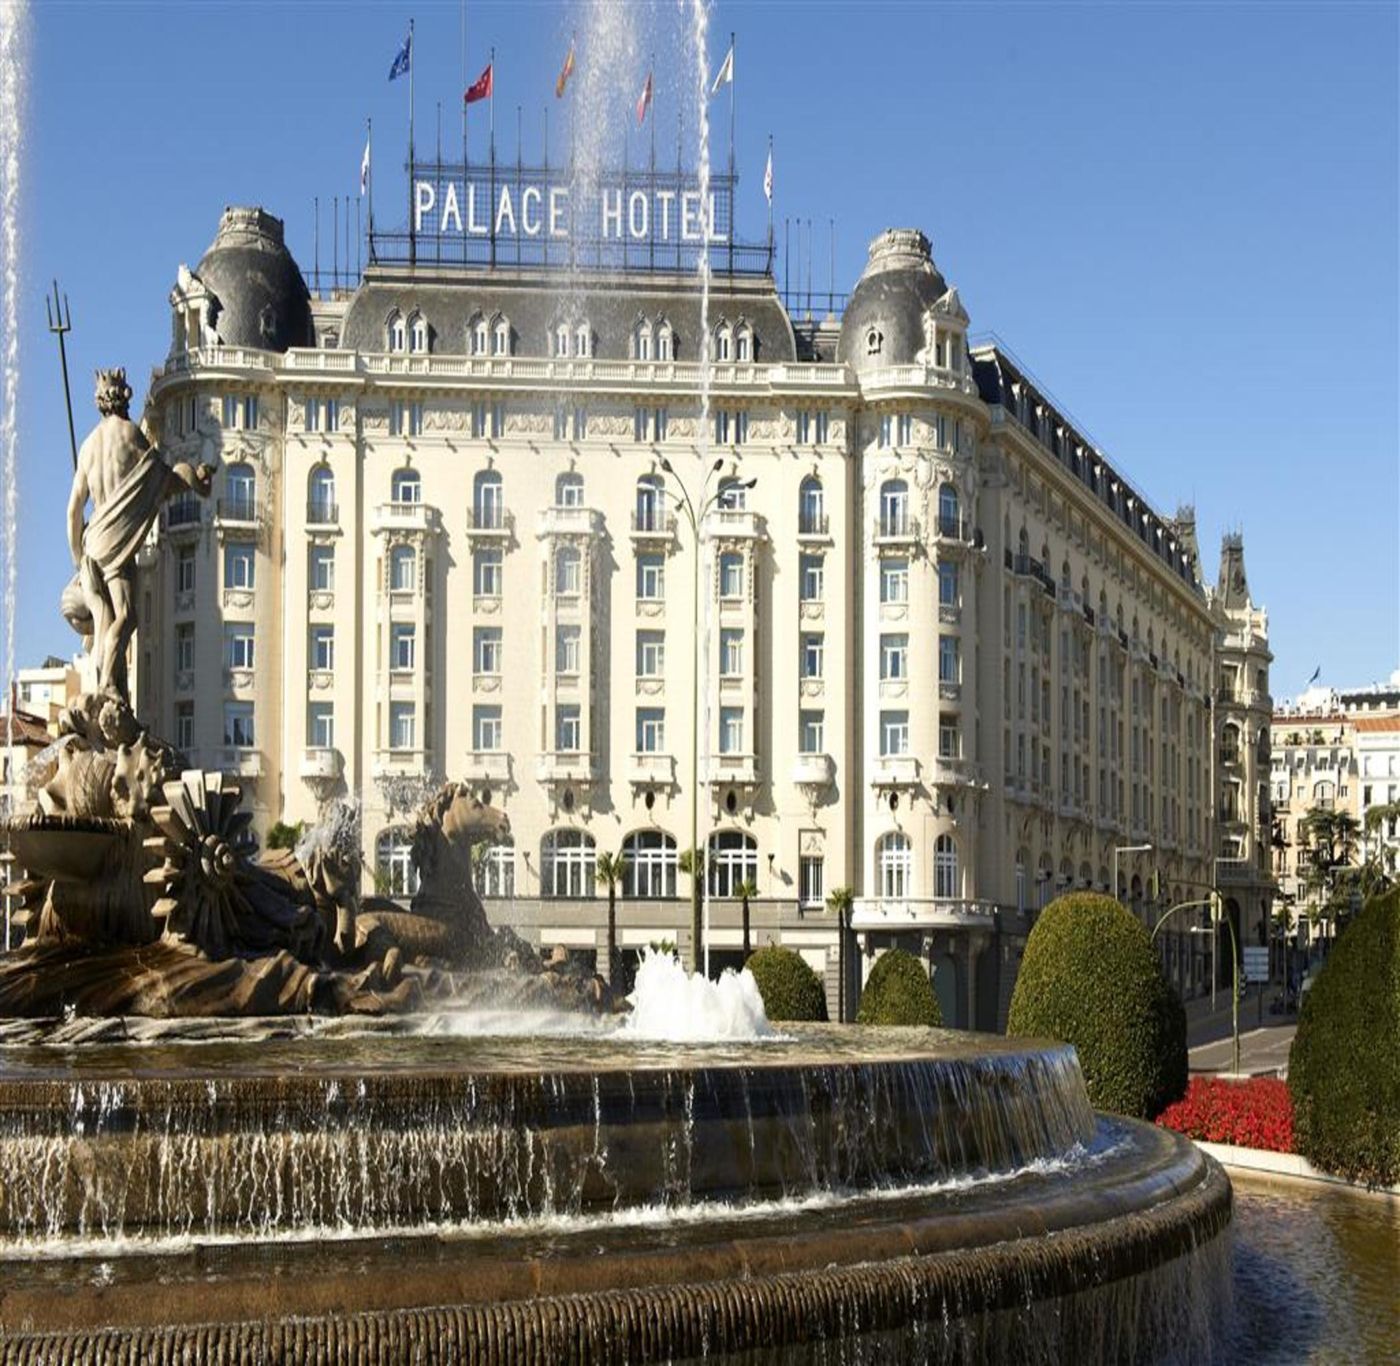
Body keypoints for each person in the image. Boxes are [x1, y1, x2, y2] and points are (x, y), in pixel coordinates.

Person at [66, 368, 213, 704]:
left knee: (104, 617)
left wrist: (78, 557)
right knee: (127, 616)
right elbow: (162, 479)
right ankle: (105, 687)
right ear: (124, 398)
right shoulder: (131, 435)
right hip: (117, 547)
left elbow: (73, 510)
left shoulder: (88, 446)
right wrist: (197, 479)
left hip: (92, 545)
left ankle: (108, 689)